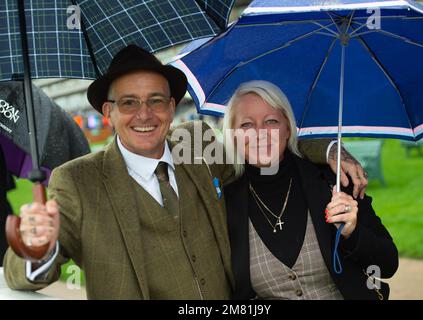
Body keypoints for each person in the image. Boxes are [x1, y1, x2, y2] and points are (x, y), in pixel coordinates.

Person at [3, 45, 367, 299]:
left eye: (156, 100)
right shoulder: (77, 181)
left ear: (172, 106)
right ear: (108, 113)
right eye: (128, 102)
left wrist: (332, 149)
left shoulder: (196, 141)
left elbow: (264, 143)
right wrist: (37, 246)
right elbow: (19, 271)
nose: (144, 114)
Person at [223, 81, 398, 300]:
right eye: (247, 125)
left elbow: (388, 264)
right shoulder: (225, 202)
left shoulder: (333, 179)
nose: (260, 133)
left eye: (271, 121)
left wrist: (352, 234)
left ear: (288, 128)